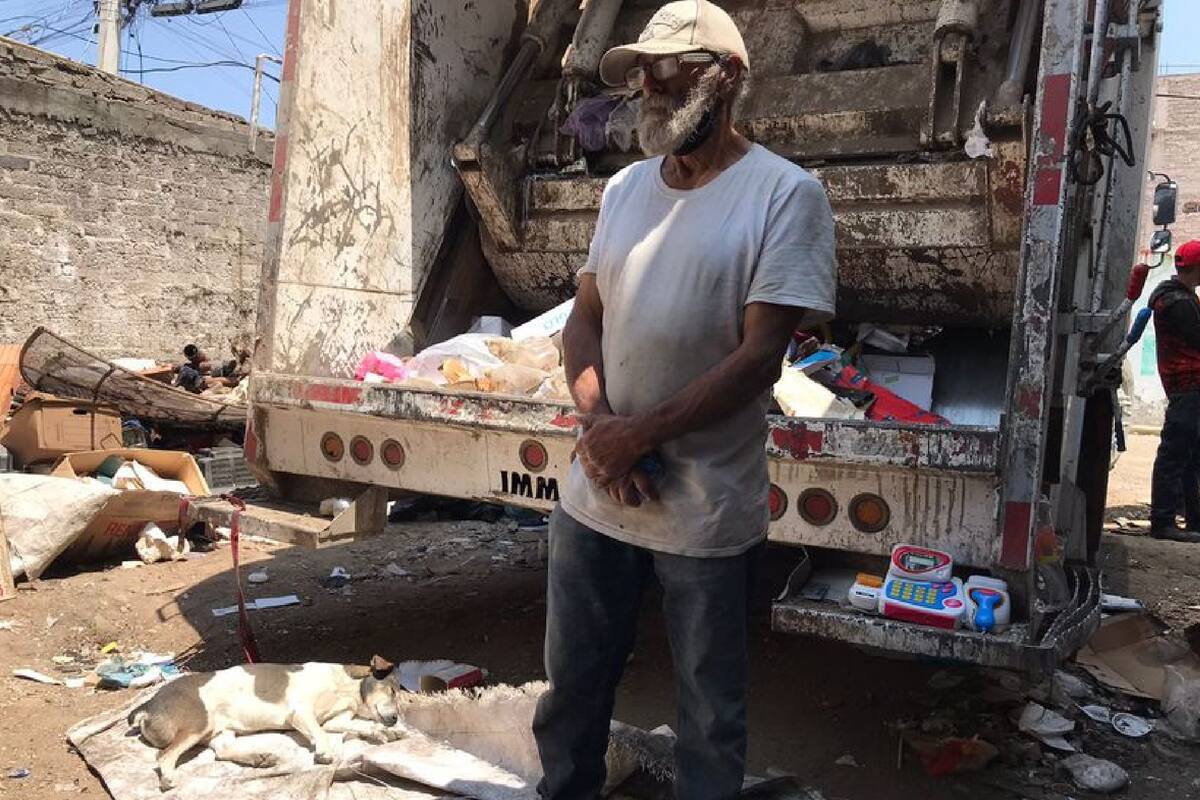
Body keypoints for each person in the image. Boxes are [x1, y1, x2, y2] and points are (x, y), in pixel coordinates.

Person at [531, 3, 837, 799]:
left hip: (703, 506)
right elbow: (584, 322)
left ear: (727, 78)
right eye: (641, 71)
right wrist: (603, 433)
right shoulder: (626, 189)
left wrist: (639, 436)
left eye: (670, 68)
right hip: (597, 493)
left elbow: (758, 357)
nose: (649, 86)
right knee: (571, 691)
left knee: (709, 711)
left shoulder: (786, 195)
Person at [1148, 239, 1200, 543]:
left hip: (1189, 386)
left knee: (1190, 456)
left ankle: (1193, 519)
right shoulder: (1178, 303)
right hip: (1188, 385)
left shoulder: (1179, 298)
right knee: (1176, 454)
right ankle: (1163, 521)